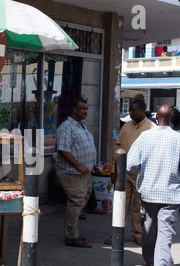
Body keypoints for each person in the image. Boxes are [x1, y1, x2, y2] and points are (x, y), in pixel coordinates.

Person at [127, 104, 180, 266]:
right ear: (172, 119)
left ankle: (152, 261)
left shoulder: (145, 137)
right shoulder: (179, 139)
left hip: (149, 191)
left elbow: (131, 164)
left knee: (149, 229)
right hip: (169, 193)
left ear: (156, 118)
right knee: (165, 232)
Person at [105, 99, 156, 246]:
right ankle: (117, 232)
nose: (131, 113)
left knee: (139, 206)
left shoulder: (152, 127)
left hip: (142, 172)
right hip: (124, 171)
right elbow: (117, 148)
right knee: (121, 203)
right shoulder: (126, 126)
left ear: (142, 110)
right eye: (130, 110)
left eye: (134, 110)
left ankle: (138, 233)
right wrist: (114, 169)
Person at [55, 97, 96, 248]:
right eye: (82, 108)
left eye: (86, 108)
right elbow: (64, 149)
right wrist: (78, 165)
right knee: (76, 202)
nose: (85, 111)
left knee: (81, 200)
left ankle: (72, 232)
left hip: (84, 172)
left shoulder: (82, 125)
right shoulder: (66, 127)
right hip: (72, 172)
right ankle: (71, 236)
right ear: (74, 109)